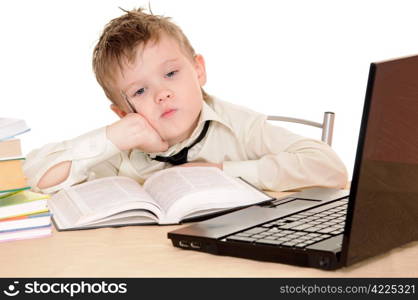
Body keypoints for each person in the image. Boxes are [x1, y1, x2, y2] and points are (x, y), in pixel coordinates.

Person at [23, 8, 348, 194]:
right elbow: (36, 178)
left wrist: (223, 170)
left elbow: (330, 168)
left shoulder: (239, 126)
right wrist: (114, 137)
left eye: (171, 73)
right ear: (124, 112)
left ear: (198, 70)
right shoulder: (122, 150)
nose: (161, 94)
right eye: (139, 92)